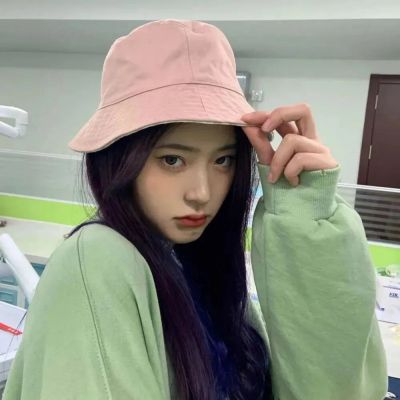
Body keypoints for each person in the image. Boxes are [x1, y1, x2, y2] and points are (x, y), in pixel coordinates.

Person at [3, 19, 388, 400]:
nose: (202, 193)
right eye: (172, 160)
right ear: (119, 161)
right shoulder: (97, 260)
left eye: (222, 160)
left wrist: (305, 216)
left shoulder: (199, 268)